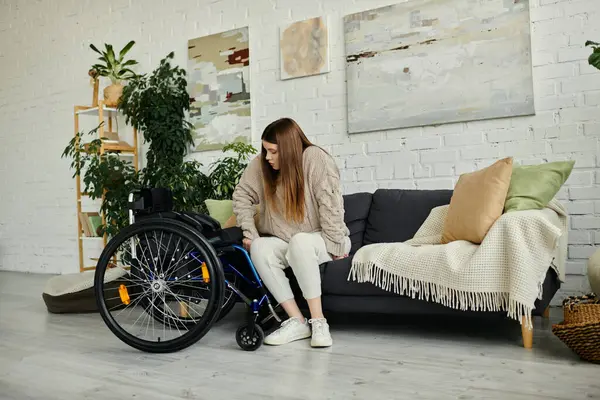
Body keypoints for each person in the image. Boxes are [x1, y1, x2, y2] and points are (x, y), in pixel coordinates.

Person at [232, 117, 350, 348]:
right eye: (266, 151)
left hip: (322, 239)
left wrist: (336, 245)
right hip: (287, 241)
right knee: (260, 246)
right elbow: (241, 195)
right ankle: (297, 321)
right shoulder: (262, 165)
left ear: (288, 149)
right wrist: (251, 233)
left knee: (300, 242)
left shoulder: (315, 158)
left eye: (273, 152)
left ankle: (319, 322)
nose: (268, 157)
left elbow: (330, 205)